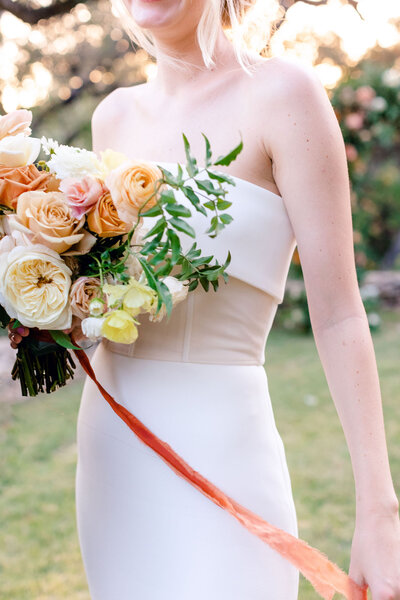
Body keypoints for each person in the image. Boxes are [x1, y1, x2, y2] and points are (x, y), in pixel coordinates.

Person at [10, 0, 400, 598]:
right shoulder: (114, 116)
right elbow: (101, 302)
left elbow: (341, 312)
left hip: (224, 440)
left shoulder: (285, 95)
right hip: (115, 447)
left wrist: (381, 514)